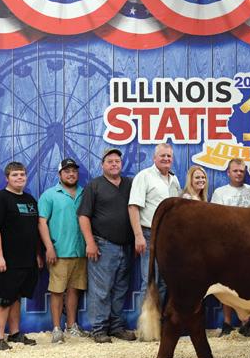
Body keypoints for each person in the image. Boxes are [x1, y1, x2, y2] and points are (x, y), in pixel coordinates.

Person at [78, 148, 136, 343]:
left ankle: (116, 327)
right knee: (101, 290)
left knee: (121, 289)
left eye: (117, 161)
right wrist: (90, 242)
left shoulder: (130, 184)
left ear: (121, 164)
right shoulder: (94, 186)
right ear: (102, 165)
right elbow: (83, 216)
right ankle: (99, 329)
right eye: (109, 161)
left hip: (126, 246)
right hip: (103, 244)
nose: (114, 164)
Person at [0, 162, 42, 350]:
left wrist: (37, 254)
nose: (19, 178)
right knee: (2, 298)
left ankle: (15, 333)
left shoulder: (30, 200)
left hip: (26, 259)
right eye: (15, 175)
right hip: (6, 260)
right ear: (7, 178)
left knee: (16, 297)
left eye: (22, 174)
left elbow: (33, 229)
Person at [38, 158, 88, 344]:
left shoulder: (85, 193)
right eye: (67, 171)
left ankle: (71, 325)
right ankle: (56, 328)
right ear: (60, 174)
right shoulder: (49, 195)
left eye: (74, 171)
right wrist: (49, 247)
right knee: (57, 291)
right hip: (59, 252)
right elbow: (42, 222)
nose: (71, 174)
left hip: (80, 251)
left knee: (74, 289)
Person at [128, 143, 182, 309]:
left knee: (165, 281)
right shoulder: (144, 176)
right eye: (162, 155)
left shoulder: (174, 179)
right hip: (149, 234)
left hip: (169, 237)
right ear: (154, 158)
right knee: (150, 280)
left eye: (169, 156)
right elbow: (133, 207)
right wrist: (138, 236)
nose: (166, 159)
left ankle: (156, 319)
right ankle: (145, 323)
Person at [211, 158, 250, 337]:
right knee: (226, 285)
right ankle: (227, 323)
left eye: (241, 171)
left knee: (249, 282)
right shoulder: (220, 192)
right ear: (228, 172)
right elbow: (214, 218)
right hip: (227, 243)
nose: (239, 173)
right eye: (235, 170)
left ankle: (246, 323)